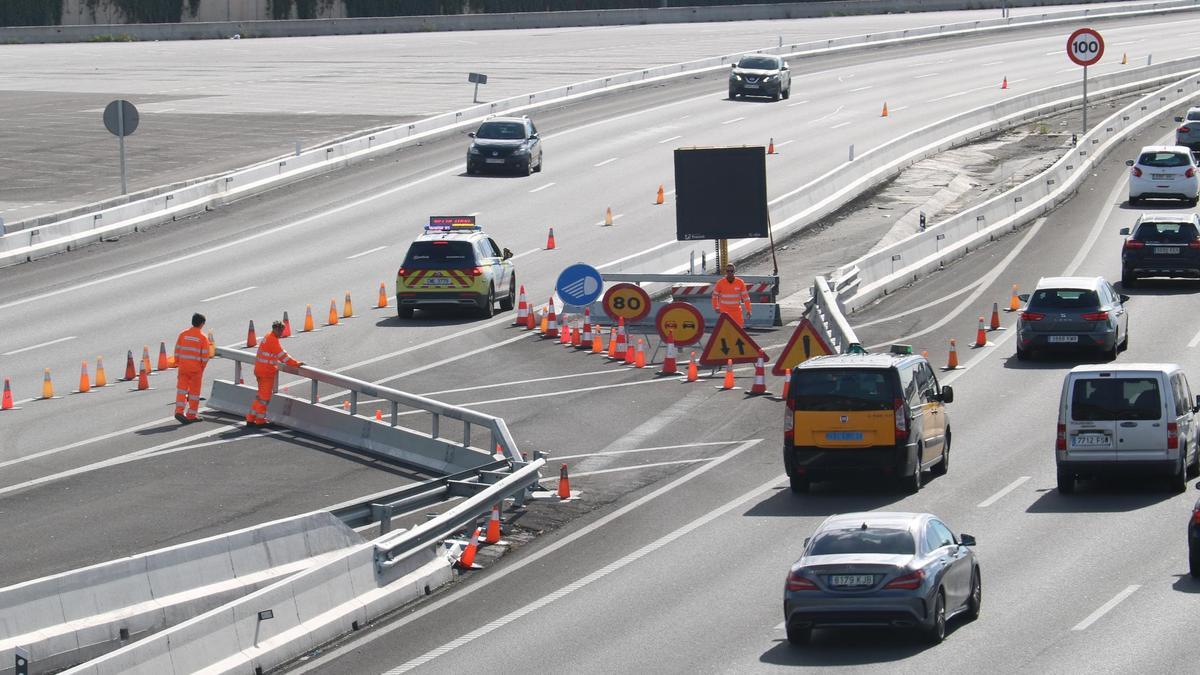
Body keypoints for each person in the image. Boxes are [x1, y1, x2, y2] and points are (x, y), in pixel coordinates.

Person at [247, 320, 303, 426]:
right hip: (266, 373)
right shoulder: (272, 340)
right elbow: (283, 356)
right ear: (277, 329)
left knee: (260, 397)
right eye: (281, 331)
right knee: (264, 399)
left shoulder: (268, 336)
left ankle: (253, 418)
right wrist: (296, 364)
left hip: (260, 370)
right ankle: (258, 420)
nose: (282, 333)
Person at [173, 312, 211, 424]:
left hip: (183, 367)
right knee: (194, 393)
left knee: (181, 390)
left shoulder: (183, 334)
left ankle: (179, 411)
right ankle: (191, 415)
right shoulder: (203, 337)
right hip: (195, 369)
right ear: (202, 324)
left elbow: (177, 350)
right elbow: (205, 356)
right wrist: (202, 368)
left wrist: (178, 362)